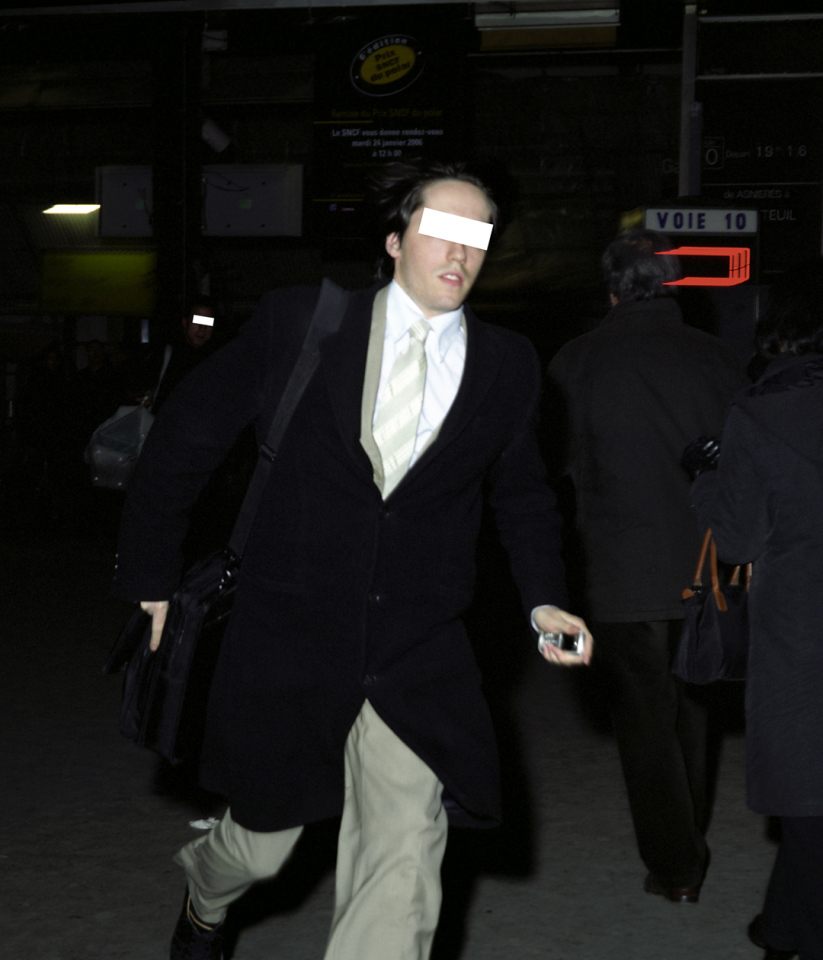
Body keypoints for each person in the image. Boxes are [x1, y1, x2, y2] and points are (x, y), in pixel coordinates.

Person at [113, 159, 593, 960]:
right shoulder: (304, 322)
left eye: (476, 238)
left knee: (402, 861)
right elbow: (184, 442)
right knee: (260, 846)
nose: (459, 253)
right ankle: (206, 896)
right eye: (440, 231)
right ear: (395, 241)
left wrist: (543, 599)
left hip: (416, 647)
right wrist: (150, 577)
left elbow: (522, 495)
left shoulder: (507, 363)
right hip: (288, 633)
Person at [545, 229, 743, 903]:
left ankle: (676, 865)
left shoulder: (576, 361)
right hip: (703, 562)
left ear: (609, 288)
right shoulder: (715, 357)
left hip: (618, 566)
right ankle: (684, 847)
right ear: (675, 285)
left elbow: (559, 471)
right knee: (691, 709)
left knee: (642, 719)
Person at [689, 261, 823, 960]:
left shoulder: (755, 414)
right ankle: (783, 925)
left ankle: (790, 933)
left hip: (800, 627)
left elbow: (736, 538)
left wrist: (704, 477)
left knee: (807, 794)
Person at [148, 297, 216, 414]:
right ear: (185, 322)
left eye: (208, 322)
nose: (202, 328)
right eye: (198, 321)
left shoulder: (217, 362)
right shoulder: (165, 354)